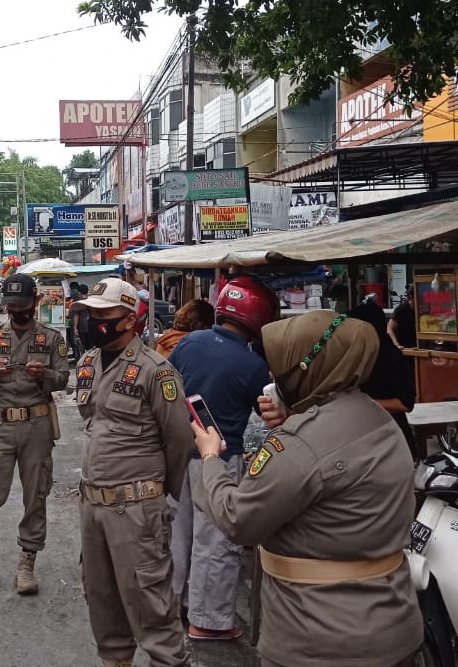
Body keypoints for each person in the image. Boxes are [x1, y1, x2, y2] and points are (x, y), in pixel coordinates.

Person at [195, 310, 422, 667]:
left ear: (308, 368)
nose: (272, 374)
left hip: (319, 640)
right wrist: (294, 418)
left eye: (280, 365)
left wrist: (210, 460)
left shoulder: (299, 444)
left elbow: (238, 519)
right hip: (393, 624)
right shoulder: (377, 417)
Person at [73, 277, 194, 667]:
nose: (91, 321)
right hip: (93, 506)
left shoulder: (156, 371)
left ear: (128, 319)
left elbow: (178, 440)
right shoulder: (89, 362)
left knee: (151, 606)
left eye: (102, 314)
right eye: (89, 313)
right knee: (102, 602)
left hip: (136, 509)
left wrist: (155, 494)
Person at [166, 277, 278, 640]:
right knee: (214, 542)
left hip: (177, 452)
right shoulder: (252, 367)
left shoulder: (189, 343)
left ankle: (172, 606)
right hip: (218, 460)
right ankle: (207, 621)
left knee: (178, 536)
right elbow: (265, 416)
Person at [0, 273, 70, 596]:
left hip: (36, 425)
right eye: (11, 306)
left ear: (36, 303)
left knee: (35, 496)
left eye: (22, 306)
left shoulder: (52, 339)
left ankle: (27, 561)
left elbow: (64, 379)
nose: (17, 312)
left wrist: (46, 376)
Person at [350, 298, 419, 461]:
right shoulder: (355, 356)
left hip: (392, 443)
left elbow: (405, 403)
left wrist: (365, 403)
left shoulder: (393, 358)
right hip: (363, 442)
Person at [387, 283, 417, 350]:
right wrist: (396, 344)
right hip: (404, 348)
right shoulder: (401, 309)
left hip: (416, 347)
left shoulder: (421, 309)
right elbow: (389, 329)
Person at [72, 284, 91, 355]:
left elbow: (76, 316)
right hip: (90, 326)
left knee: (83, 346)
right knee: (91, 346)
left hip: (82, 327)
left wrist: (75, 328)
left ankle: (84, 359)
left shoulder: (79, 303)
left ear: (79, 292)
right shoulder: (91, 301)